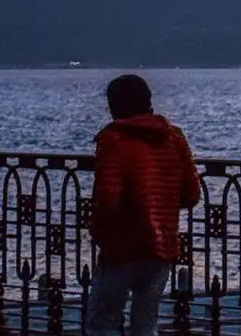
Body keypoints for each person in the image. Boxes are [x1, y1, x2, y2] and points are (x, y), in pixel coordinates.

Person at [85, 75, 201, 336]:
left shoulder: (113, 139)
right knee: (146, 325)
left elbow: (109, 198)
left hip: (122, 246)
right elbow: (192, 194)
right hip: (162, 246)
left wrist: (98, 230)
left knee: (102, 322)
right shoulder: (173, 136)